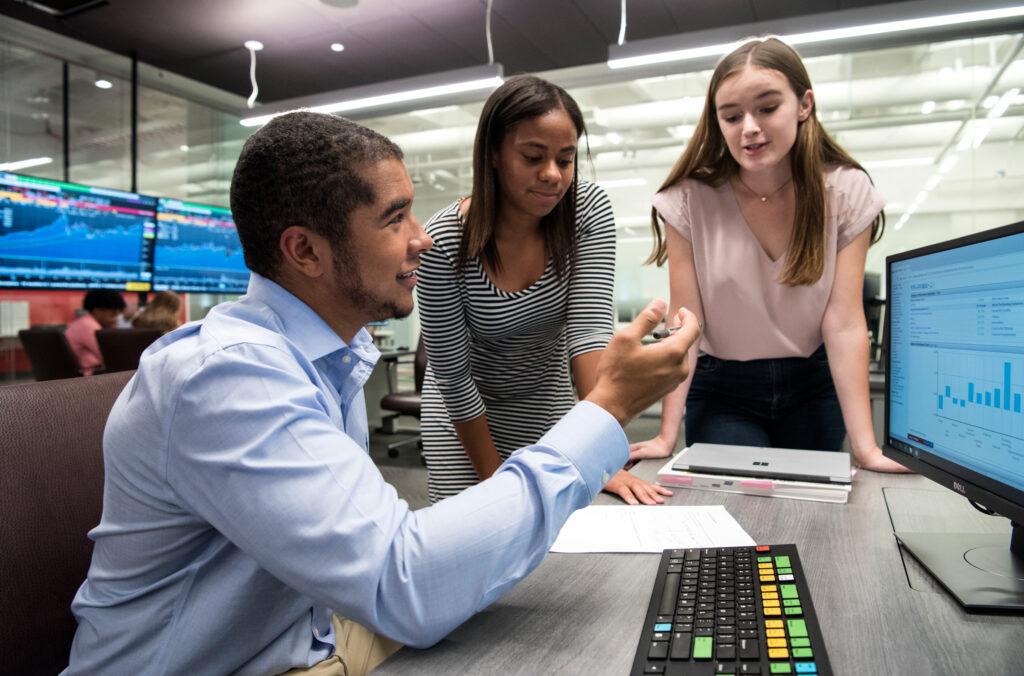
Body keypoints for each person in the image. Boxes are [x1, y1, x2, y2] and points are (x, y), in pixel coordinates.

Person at [63, 111, 701, 676]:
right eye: (394, 218)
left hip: (307, 635)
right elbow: (408, 585)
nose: (422, 237)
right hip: (243, 662)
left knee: (581, 621)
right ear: (305, 250)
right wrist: (607, 408)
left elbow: (381, 553)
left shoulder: (330, 358)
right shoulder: (228, 379)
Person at [629, 37, 907, 473]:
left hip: (813, 386)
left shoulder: (847, 191)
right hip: (723, 391)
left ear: (804, 105)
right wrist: (667, 433)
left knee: (811, 518)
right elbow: (685, 325)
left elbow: (846, 322)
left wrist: (866, 447)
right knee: (741, 517)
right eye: (732, 116)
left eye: (767, 108)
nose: (749, 128)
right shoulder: (687, 200)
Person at [417, 75, 674, 505]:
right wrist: (495, 481)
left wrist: (596, 454)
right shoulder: (443, 242)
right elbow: (454, 378)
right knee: (483, 531)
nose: (553, 175)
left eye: (566, 159)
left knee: (568, 539)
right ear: (494, 154)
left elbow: (589, 334)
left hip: (549, 408)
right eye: (533, 156)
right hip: (466, 420)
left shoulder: (586, 211)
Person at [64, 288, 126, 374]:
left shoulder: (82, 322)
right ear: (98, 311)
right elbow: (111, 356)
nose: (115, 319)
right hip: (90, 377)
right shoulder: (89, 327)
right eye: (113, 314)